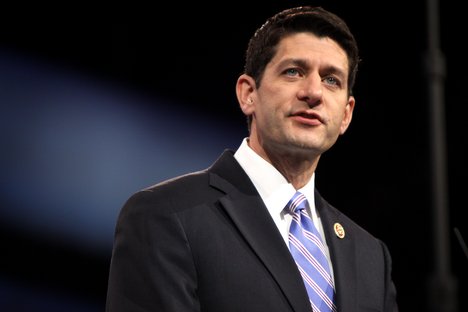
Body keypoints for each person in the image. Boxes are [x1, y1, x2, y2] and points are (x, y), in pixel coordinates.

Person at [105, 6, 399, 312]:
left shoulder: (371, 257)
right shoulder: (166, 215)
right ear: (248, 94)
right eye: (293, 72)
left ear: (346, 115)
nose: (313, 92)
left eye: (331, 80)